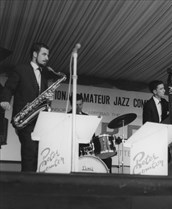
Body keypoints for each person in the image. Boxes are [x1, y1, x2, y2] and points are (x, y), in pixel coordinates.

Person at [0, 42, 56, 171]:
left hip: (38, 120)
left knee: (37, 154)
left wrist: (48, 99)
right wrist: (5, 100)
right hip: (24, 119)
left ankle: (33, 184)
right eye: (44, 54)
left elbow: (42, 99)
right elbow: (8, 88)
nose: (47, 58)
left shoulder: (43, 75)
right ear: (35, 54)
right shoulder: (21, 69)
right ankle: (26, 185)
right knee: (29, 152)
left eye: (48, 55)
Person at [68, 93, 112, 173]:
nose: (78, 107)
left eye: (80, 104)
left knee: (108, 159)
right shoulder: (67, 117)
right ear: (71, 104)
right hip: (71, 149)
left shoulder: (87, 117)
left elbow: (92, 136)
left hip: (86, 149)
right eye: (76, 105)